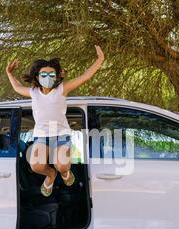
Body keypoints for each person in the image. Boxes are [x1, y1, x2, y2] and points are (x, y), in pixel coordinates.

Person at [6, 45, 105, 196]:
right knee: (36, 166)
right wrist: (9, 73)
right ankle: (51, 175)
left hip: (61, 134)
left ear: (57, 76)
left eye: (51, 74)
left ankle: (64, 173)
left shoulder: (62, 89)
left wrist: (100, 59)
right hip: (42, 136)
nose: (48, 77)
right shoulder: (33, 92)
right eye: (44, 74)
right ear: (37, 77)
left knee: (63, 165)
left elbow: (85, 76)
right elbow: (17, 87)